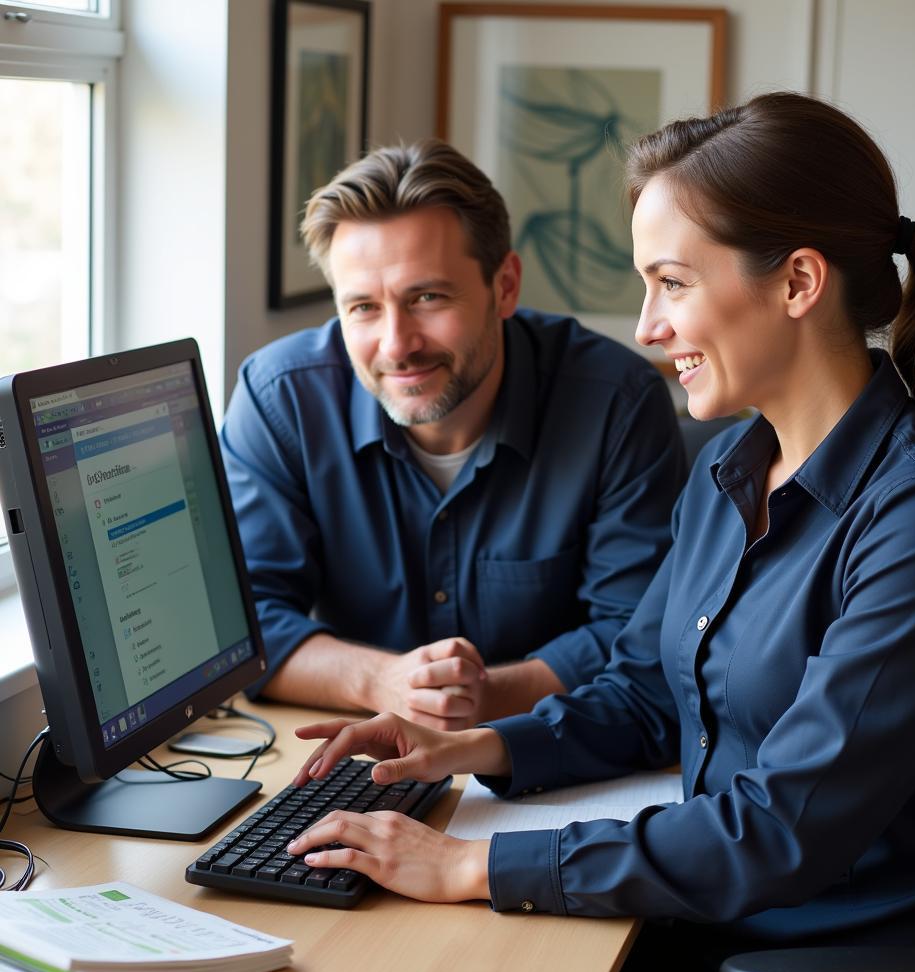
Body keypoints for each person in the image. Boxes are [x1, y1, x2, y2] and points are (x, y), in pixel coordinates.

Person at [283, 93, 915, 972]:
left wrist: (473, 862)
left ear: (798, 283)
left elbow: (778, 831)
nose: (646, 326)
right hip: (697, 933)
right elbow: (644, 691)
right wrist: (471, 748)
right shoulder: (729, 465)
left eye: (671, 284)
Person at [221, 139, 685, 729]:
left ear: (505, 286)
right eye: (362, 307)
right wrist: (386, 683)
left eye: (428, 297)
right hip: (356, 750)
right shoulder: (279, 399)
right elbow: (243, 626)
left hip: (545, 751)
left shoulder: (615, 402)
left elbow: (638, 633)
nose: (396, 344)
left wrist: (480, 698)